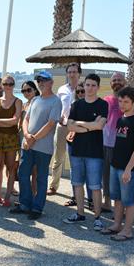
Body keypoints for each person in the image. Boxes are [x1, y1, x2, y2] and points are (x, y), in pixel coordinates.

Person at [10, 71, 61, 220]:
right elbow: (26, 119)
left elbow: (51, 124)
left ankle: (37, 208)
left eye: (44, 80)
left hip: (43, 148)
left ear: (51, 82)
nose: (41, 83)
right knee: (23, 174)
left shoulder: (55, 101)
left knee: (41, 178)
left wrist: (33, 138)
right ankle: (25, 204)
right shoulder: (35, 100)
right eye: (39, 81)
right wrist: (26, 136)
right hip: (27, 145)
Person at [100, 87, 134, 241]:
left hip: (129, 169)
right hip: (116, 165)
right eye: (120, 101)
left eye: (126, 102)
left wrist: (128, 169)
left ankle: (127, 230)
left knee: (128, 200)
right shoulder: (121, 119)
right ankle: (117, 225)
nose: (122, 104)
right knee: (117, 198)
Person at [63, 73, 108, 231]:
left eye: (93, 85)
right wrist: (90, 125)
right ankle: (80, 214)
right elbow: (69, 126)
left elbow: (100, 126)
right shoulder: (77, 105)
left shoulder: (103, 105)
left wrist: (80, 124)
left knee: (95, 186)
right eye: (87, 85)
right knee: (77, 183)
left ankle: (97, 217)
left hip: (94, 153)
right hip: (77, 150)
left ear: (98, 87)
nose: (89, 88)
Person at [101, 73, 134, 213]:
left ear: (124, 82)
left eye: (119, 80)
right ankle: (106, 202)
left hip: (124, 146)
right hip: (106, 143)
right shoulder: (106, 100)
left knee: (124, 178)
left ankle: (124, 208)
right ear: (111, 83)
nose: (117, 82)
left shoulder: (131, 101)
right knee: (106, 174)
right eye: (114, 80)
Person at [0, 75, 22, 207]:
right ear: (2, 85)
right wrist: (4, 123)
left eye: (11, 84)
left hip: (11, 138)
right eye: (6, 84)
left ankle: (7, 197)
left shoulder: (18, 101)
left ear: (13, 85)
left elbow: (15, 120)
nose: (8, 86)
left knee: (11, 168)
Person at [48, 63, 81, 196]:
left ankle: (76, 192)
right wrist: (57, 117)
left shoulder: (83, 89)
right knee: (58, 158)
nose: (72, 74)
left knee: (76, 160)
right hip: (62, 127)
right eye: (70, 72)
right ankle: (53, 186)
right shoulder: (62, 89)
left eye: (74, 72)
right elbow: (56, 106)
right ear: (67, 74)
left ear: (79, 74)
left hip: (78, 128)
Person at [63, 82, 93, 209]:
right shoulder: (74, 105)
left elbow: (93, 125)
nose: (80, 93)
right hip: (72, 141)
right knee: (74, 170)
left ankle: (91, 200)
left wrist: (77, 125)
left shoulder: (93, 106)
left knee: (89, 172)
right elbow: (70, 123)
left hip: (88, 142)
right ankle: (75, 197)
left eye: (83, 91)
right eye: (78, 91)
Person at [19, 81, 40, 195]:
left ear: (35, 90)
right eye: (23, 91)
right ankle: (27, 195)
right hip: (23, 139)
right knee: (25, 170)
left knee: (35, 171)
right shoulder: (24, 104)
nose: (26, 93)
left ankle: (34, 194)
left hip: (35, 139)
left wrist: (32, 138)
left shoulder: (39, 103)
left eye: (29, 90)